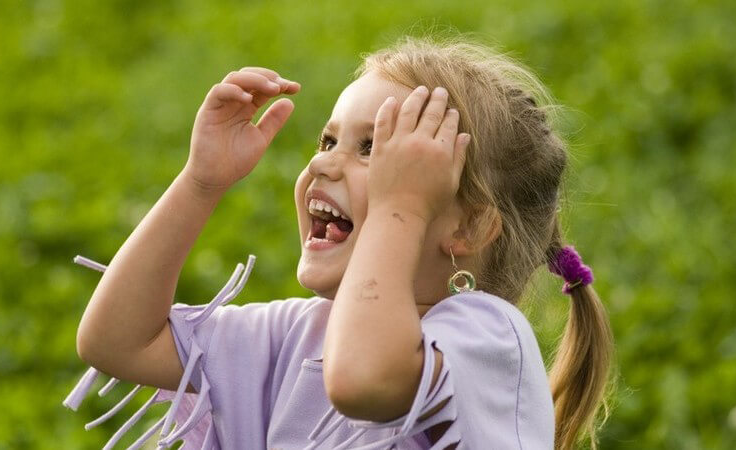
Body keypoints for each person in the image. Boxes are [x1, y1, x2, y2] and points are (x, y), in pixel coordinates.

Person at [63, 35, 614, 450]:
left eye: (377, 150)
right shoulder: (297, 335)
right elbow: (117, 343)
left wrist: (399, 206)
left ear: (466, 228)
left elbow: (363, 380)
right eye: (329, 139)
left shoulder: (485, 337)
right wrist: (200, 182)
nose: (323, 161)